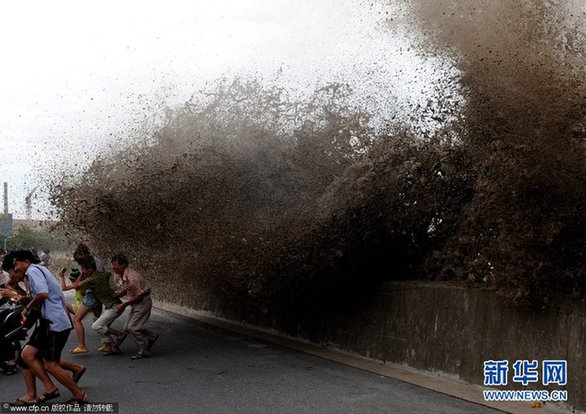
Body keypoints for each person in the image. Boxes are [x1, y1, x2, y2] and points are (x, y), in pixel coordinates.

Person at [11, 250, 88, 405]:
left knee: (51, 364)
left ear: (25, 261)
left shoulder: (32, 271)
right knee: (27, 355)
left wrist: (26, 308)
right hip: (51, 322)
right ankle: (46, 389)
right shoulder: (38, 270)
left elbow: (42, 294)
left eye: (17, 263)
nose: (16, 268)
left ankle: (79, 394)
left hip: (55, 323)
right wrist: (24, 298)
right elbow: (40, 295)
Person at [59, 257, 125, 356]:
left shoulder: (90, 280)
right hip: (112, 304)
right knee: (98, 322)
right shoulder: (101, 275)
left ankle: (119, 334)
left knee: (95, 325)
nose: (83, 271)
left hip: (114, 306)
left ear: (90, 269)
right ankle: (111, 346)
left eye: (84, 269)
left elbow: (71, 287)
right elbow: (108, 274)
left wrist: (66, 276)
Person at [112, 254, 158, 359]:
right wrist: (120, 293)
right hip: (134, 302)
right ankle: (152, 335)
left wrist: (124, 304)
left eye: (115, 265)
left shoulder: (133, 277)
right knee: (127, 328)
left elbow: (140, 297)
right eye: (112, 265)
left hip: (142, 301)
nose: (113, 267)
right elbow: (127, 288)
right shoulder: (118, 275)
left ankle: (144, 351)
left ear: (123, 265)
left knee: (133, 328)